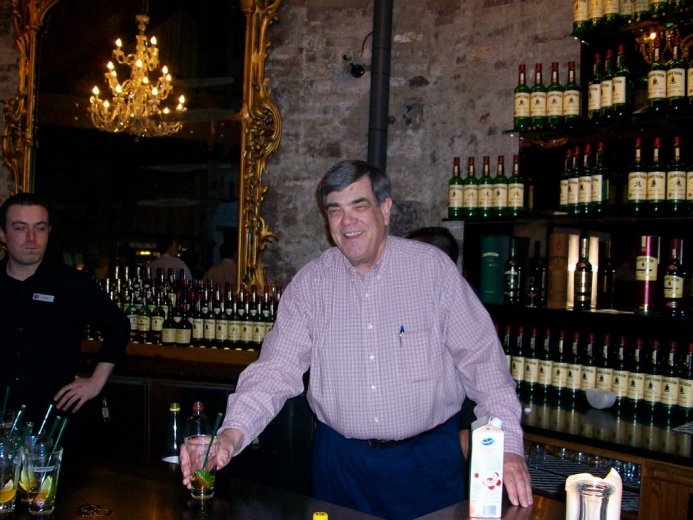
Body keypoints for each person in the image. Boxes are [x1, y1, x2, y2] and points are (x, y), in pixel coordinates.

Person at [180, 160, 532, 519]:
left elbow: (483, 361)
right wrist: (230, 435)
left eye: (358, 206)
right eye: (335, 210)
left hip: (426, 464)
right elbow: (274, 370)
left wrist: (507, 447)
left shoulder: (432, 271)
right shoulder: (311, 285)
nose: (347, 222)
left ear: (385, 209)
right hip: (340, 466)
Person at [0, 193, 130, 426]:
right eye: (20, 228)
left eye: (40, 228)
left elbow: (119, 326)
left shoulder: (72, 283)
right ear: (2, 234)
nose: (31, 238)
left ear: (49, 231)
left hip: (53, 417)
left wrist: (96, 382)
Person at [405, 226, 476, 462]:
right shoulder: (405, 299)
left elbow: (478, 366)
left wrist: (468, 422)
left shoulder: (461, 304)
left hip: (436, 440)